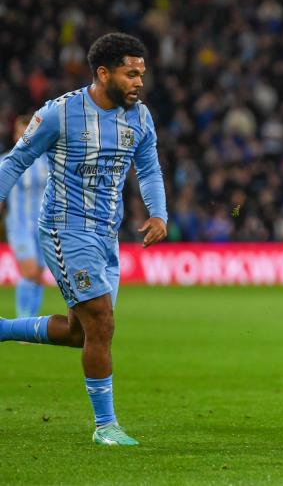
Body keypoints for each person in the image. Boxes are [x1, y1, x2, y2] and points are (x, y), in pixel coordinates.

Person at [0, 33, 168, 445]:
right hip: (64, 229)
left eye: (141, 74)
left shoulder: (140, 117)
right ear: (103, 73)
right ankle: (105, 426)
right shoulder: (59, 114)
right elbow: (16, 161)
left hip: (106, 236)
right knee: (103, 323)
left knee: (82, 332)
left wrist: (159, 213)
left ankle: (3, 328)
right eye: (131, 74)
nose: (138, 82)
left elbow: (148, 169)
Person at [4, 115, 50, 321]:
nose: (24, 137)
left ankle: (31, 323)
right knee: (29, 271)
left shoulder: (46, 160)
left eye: (28, 133)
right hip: (19, 226)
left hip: (44, 226)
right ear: (15, 135)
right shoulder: (6, 161)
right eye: (20, 133)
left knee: (39, 275)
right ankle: (22, 320)